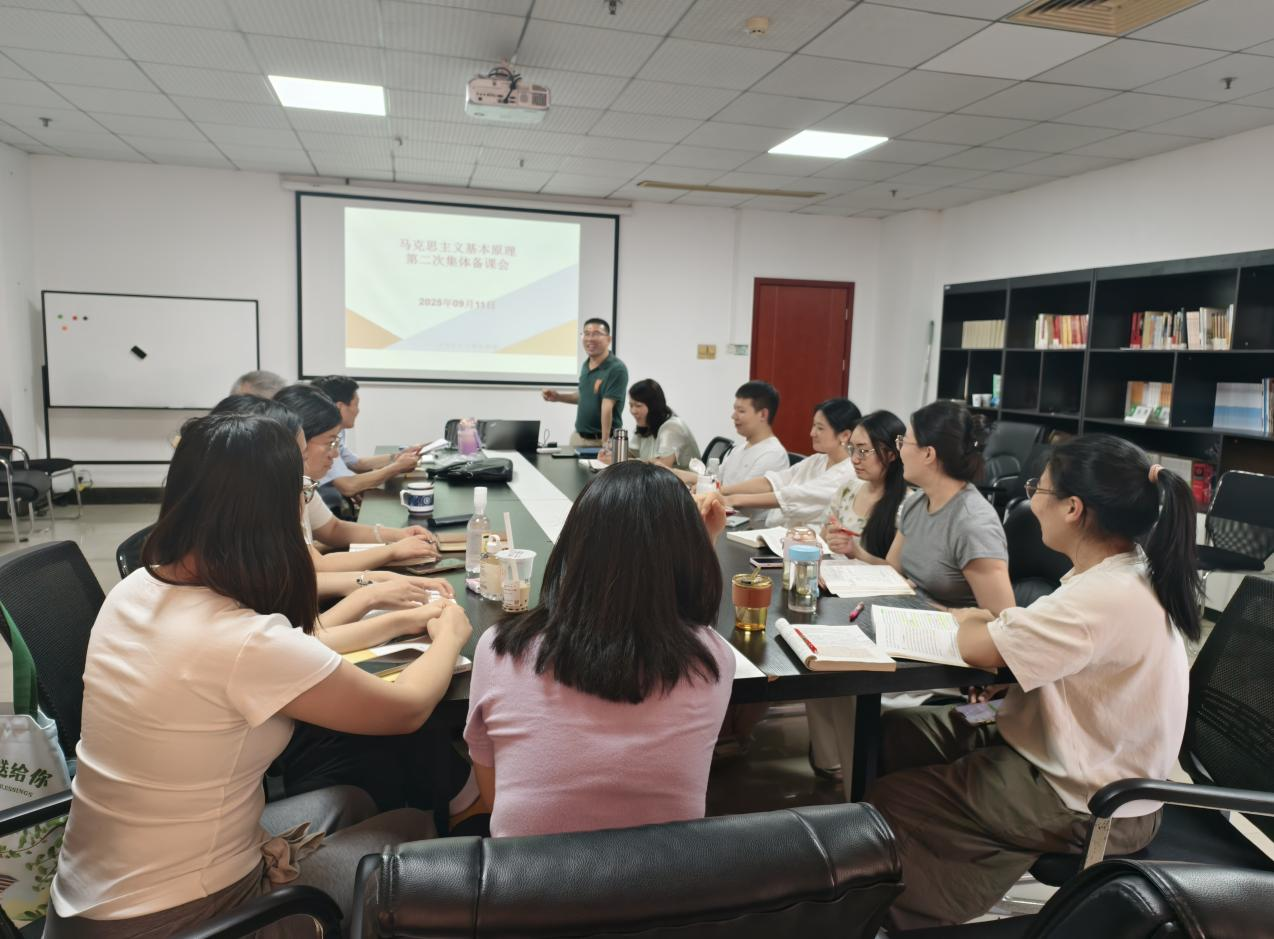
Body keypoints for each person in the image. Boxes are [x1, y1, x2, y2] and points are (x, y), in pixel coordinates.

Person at [45, 412, 472, 938]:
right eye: (301, 489)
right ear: (268, 510)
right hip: (177, 918)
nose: (304, 500)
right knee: (415, 827)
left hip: (91, 901)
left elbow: (288, 656)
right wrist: (450, 634)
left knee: (352, 800)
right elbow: (405, 710)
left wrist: (394, 619)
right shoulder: (240, 640)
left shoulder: (137, 589)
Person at [868, 435, 1202, 930]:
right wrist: (988, 624)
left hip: (1094, 800)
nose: (1031, 501)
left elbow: (978, 646)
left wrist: (973, 620)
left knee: (896, 798)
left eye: (1038, 489)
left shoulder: (1104, 595)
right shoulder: (1120, 572)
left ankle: (911, 911)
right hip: (1063, 750)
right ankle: (927, 876)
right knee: (892, 735)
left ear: (1072, 508)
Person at [464, 463, 735, 838]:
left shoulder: (500, 649)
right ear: (690, 557)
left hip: (529, 873)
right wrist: (704, 542)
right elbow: (690, 615)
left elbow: (494, 799)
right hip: (667, 875)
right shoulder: (713, 661)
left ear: (573, 546)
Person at [805, 409, 907, 781]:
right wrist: (823, 539)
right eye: (853, 450)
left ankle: (851, 775)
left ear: (891, 454)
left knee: (839, 677)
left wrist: (857, 552)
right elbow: (825, 532)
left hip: (875, 604)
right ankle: (827, 760)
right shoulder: (849, 489)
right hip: (837, 592)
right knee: (810, 662)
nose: (856, 459)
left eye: (865, 451)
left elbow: (897, 573)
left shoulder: (904, 502)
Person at [270, 385, 443, 576]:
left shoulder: (300, 484)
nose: (335, 454)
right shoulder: (274, 494)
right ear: (296, 441)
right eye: (330, 442)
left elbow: (333, 529)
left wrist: (398, 535)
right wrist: (390, 553)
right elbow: (316, 567)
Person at [875, 400, 1014, 614]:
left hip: (949, 630)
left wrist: (943, 612)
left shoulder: (973, 524)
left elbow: (1002, 618)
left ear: (928, 454)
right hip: (906, 616)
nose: (900, 450)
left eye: (904, 442)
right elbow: (892, 570)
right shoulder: (916, 502)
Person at [718, 398, 861, 528]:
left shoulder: (848, 473)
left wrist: (732, 499)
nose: (812, 433)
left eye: (820, 428)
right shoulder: (817, 460)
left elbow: (794, 497)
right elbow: (775, 481)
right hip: (783, 534)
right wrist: (722, 491)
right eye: (813, 426)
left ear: (845, 435)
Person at [672, 380, 789, 520]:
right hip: (726, 519)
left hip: (749, 527)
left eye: (741, 411)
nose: (734, 416)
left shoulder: (773, 454)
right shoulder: (739, 449)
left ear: (763, 414)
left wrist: (710, 490)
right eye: (735, 410)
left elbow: (740, 497)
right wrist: (675, 473)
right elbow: (716, 482)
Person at [310, 375, 420, 503]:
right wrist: (397, 467)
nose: (358, 411)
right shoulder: (319, 437)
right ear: (340, 407)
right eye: (356, 404)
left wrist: (397, 457)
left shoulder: (337, 431)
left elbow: (356, 463)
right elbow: (348, 486)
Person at [541, 317, 628, 446]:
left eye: (596, 334)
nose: (590, 339)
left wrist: (605, 443)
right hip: (578, 438)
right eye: (586, 334)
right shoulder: (586, 365)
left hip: (600, 441)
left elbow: (607, 407)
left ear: (609, 339)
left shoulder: (616, 368)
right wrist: (558, 397)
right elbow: (584, 396)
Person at [624, 378, 700, 469]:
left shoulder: (672, 427)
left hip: (679, 478)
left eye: (638, 406)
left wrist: (630, 461)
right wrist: (614, 451)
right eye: (631, 405)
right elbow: (631, 454)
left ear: (653, 406)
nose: (633, 411)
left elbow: (661, 469)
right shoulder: (645, 425)